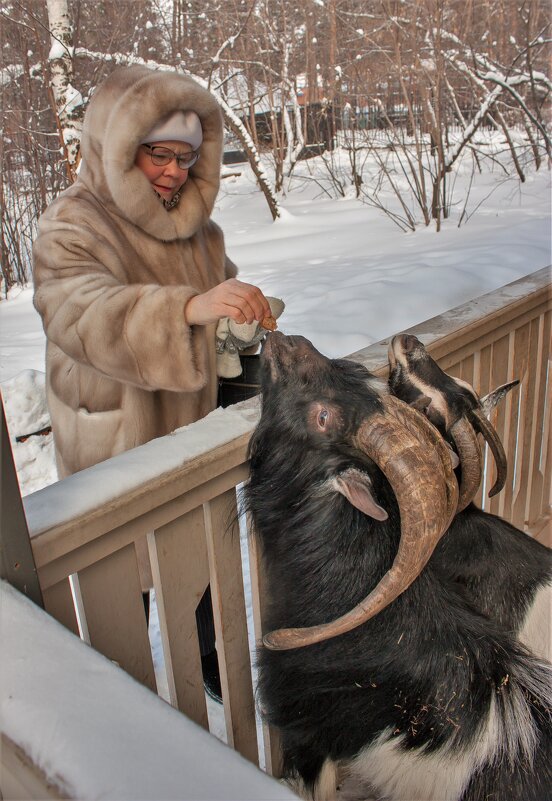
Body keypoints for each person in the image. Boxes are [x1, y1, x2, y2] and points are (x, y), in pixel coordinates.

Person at [32, 64, 273, 701]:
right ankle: (121, 706)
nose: (173, 171)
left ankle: (213, 672)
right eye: (158, 155)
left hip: (189, 436)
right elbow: (78, 315)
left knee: (197, 569)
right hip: (115, 447)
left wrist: (238, 320)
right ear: (117, 145)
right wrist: (188, 309)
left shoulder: (198, 228)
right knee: (124, 589)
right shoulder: (73, 224)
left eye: (187, 157)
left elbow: (216, 308)